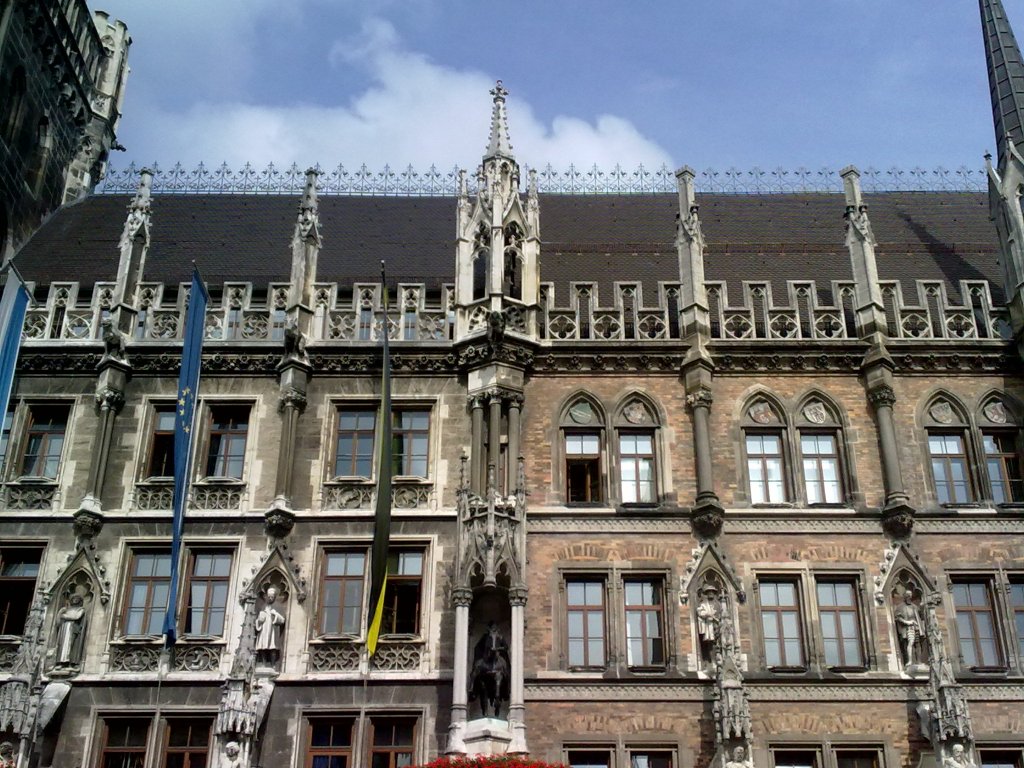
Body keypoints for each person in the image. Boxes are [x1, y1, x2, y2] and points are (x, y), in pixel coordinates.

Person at [255, 587, 286, 662]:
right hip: (264, 630)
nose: (270, 598)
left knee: (272, 646)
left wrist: (275, 614)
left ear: (275, 597)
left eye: (272, 597)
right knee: (262, 646)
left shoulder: (278, 606)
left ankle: (273, 663)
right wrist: (259, 620)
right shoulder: (264, 606)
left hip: (273, 630)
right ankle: (263, 662)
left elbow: (282, 620)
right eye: (269, 596)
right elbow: (259, 619)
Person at [56, 594, 87, 666]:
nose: (75, 599)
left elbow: (76, 617)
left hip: (73, 629)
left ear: (80, 600)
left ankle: (69, 662)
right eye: (73, 598)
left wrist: (63, 615)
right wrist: (60, 612)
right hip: (64, 629)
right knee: (63, 645)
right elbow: (58, 622)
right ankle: (61, 662)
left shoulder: (81, 609)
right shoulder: (66, 609)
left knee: (71, 645)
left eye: (77, 598)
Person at [894, 591, 923, 667]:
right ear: (905, 596)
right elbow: (897, 617)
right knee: (910, 642)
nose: (909, 596)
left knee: (918, 644)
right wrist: (907, 622)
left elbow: (921, 616)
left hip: (916, 627)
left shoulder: (915, 607)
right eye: (907, 595)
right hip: (908, 627)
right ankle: (910, 660)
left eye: (910, 595)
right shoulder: (900, 607)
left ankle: (919, 661)